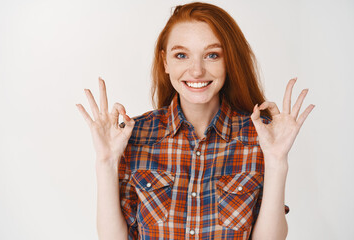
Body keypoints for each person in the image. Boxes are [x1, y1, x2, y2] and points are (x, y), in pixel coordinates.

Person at [76, 2, 314, 240]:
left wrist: (276, 160)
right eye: (181, 55)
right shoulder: (133, 136)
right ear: (165, 62)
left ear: (228, 60)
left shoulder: (260, 136)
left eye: (212, 55)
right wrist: (106, 161)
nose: (197, 70)